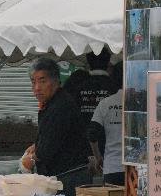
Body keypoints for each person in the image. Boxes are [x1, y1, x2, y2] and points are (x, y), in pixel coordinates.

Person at [25, 58, 90, 196]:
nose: (37, 87)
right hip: (63, 177)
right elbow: (51, 138)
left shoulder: (60, 107)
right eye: (33, 82)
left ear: (55, 81)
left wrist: (29, 160)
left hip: (69, 179)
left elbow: (45, 151)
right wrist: (36, 145)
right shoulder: (52, 104)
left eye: (42, 81)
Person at [87, 61, 124, 185]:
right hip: (137, 168)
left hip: (112, 167)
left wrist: (98, 158)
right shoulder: (142, 102)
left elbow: (92, 133)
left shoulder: (105, 103)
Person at [75, 48, 118, 125]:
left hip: (82, 132)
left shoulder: (77, 84)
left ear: (88, 62)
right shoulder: (115, 86)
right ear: (108, 62)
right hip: (107, 133)